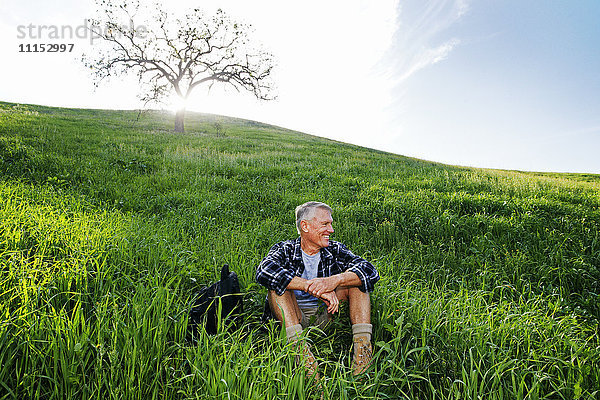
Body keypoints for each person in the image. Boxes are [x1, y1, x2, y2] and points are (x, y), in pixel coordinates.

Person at [256, 201, 380, 376]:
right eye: (325, 224)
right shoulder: (285, 249)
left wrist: (335, 281)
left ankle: (362, 354)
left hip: (328, 315)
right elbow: (264, 271)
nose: (331, 230)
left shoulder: (335, 249)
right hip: (294, 318)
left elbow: (370, 271)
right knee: (277, 288)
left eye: (330, 224)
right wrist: (310, 286)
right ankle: (303, 356)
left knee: (358, 281)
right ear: (305, 226)